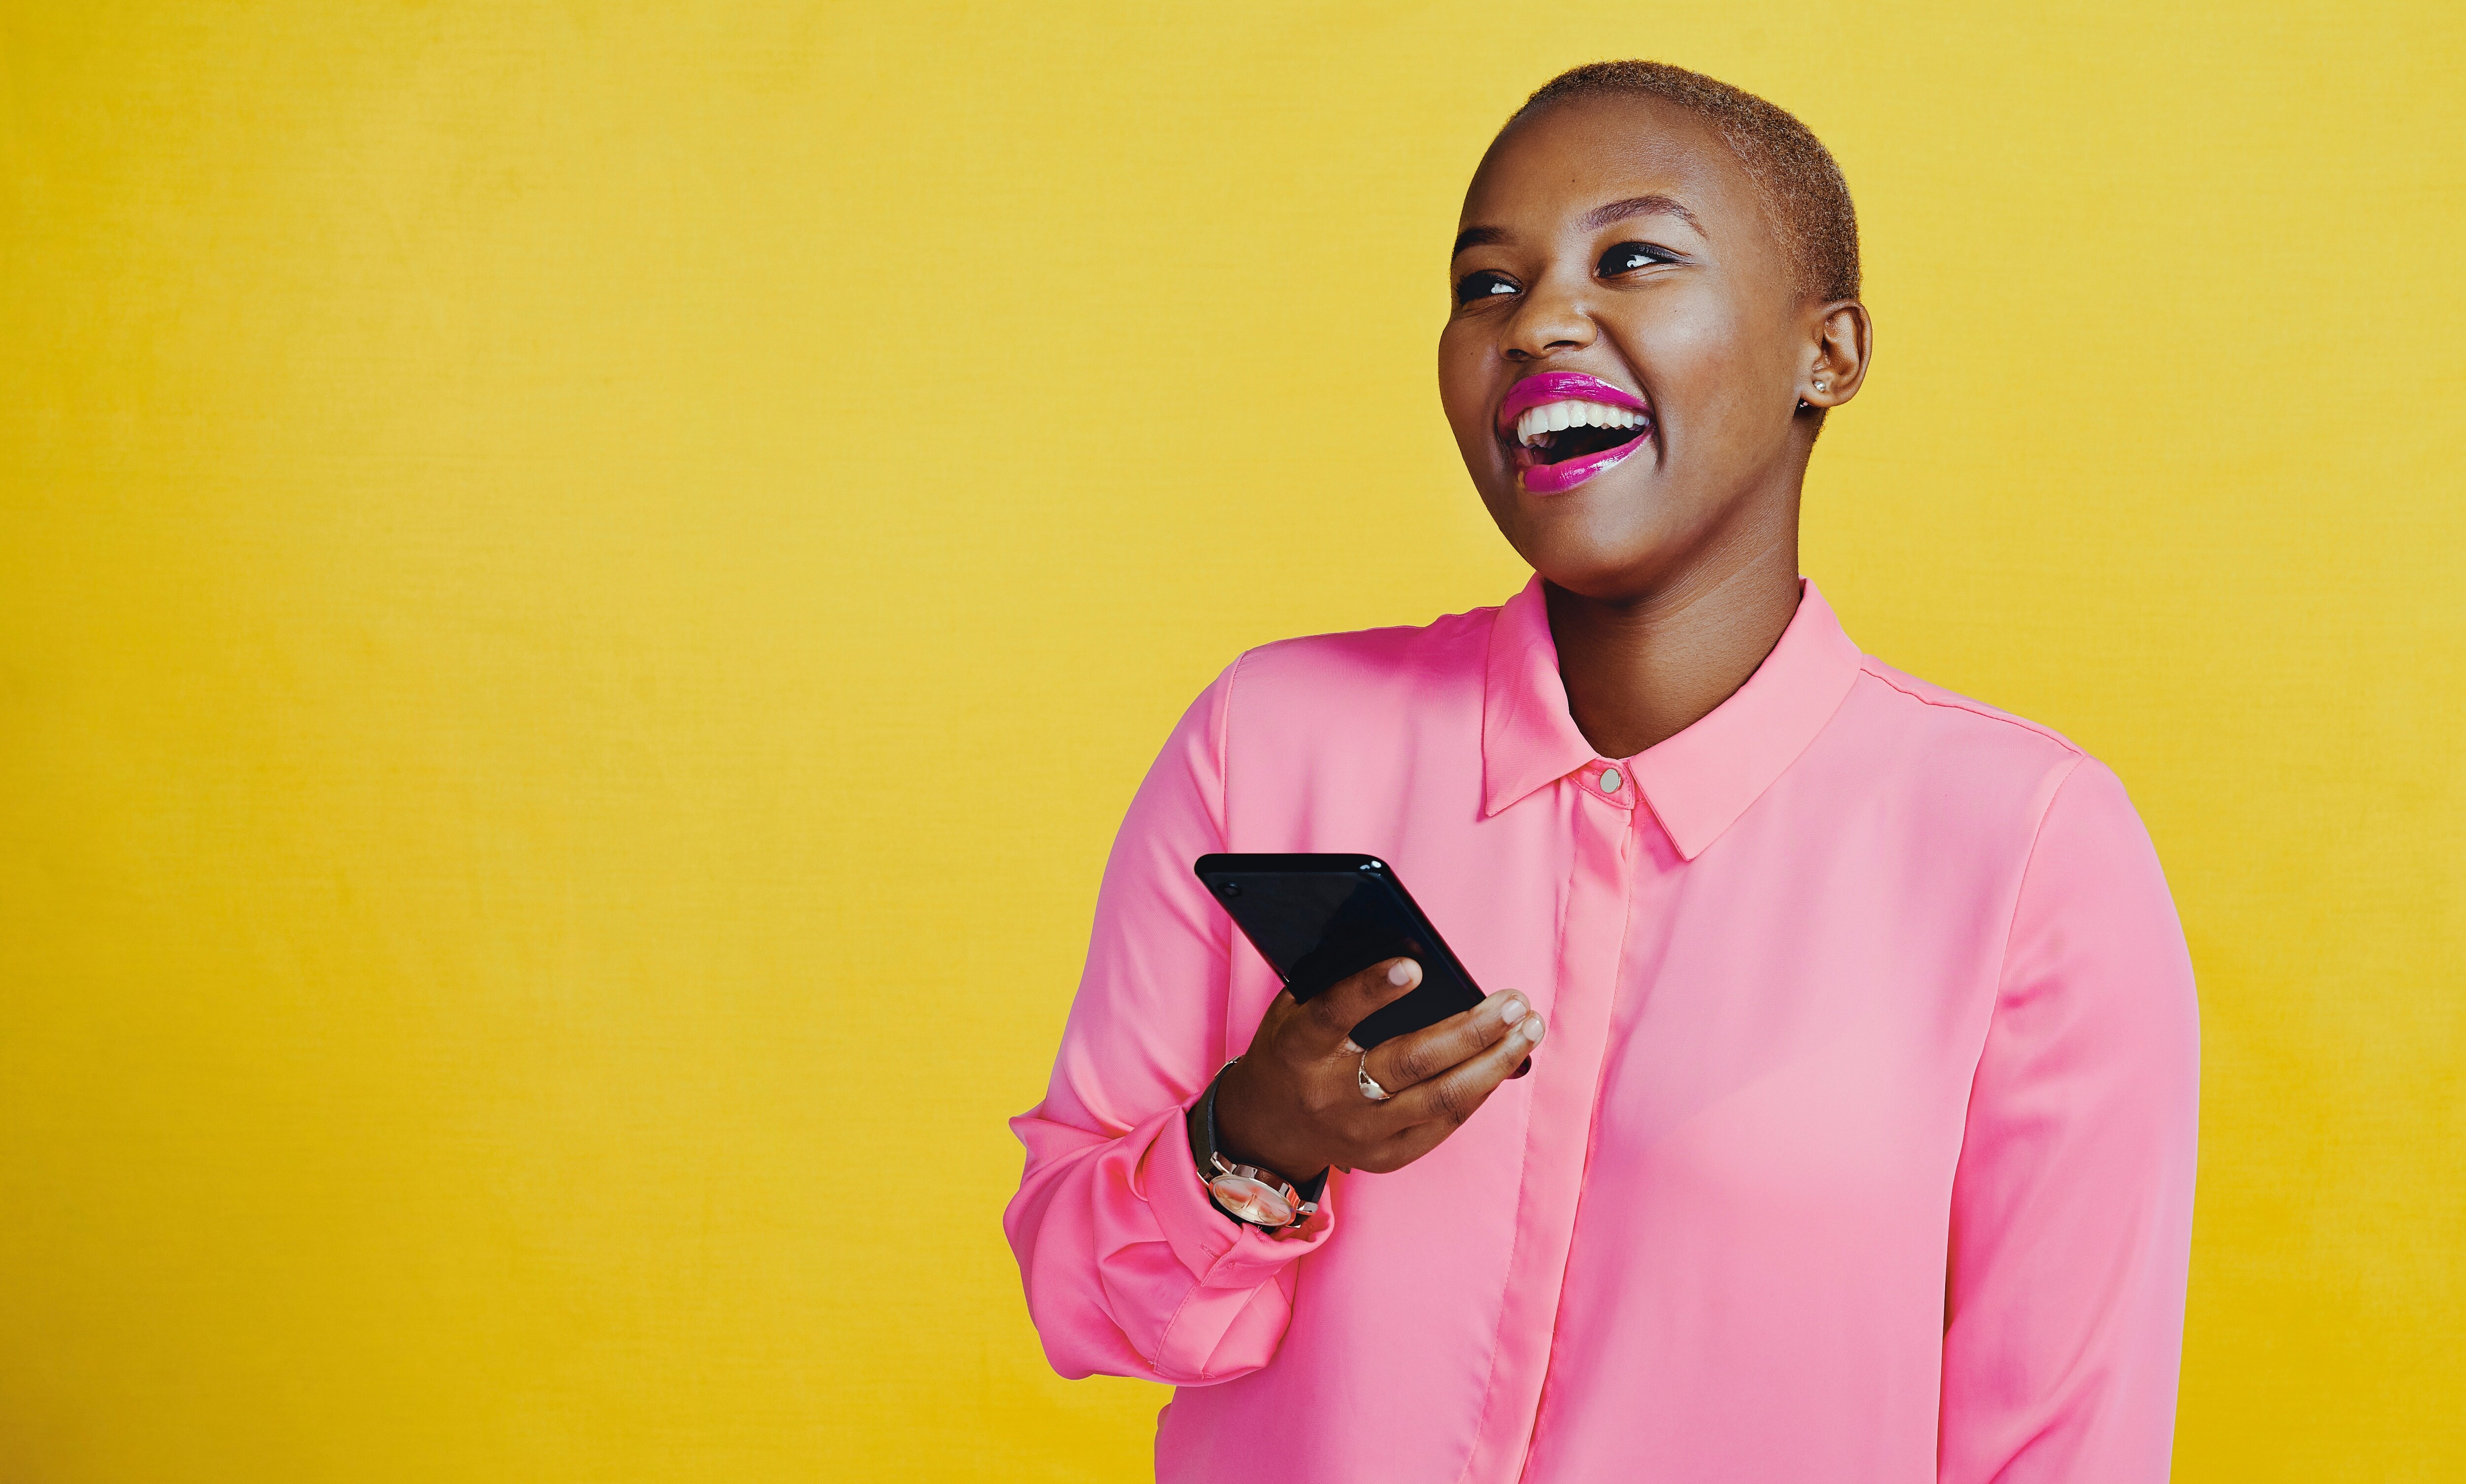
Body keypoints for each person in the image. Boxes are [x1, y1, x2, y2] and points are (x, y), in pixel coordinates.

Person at [1004, 59, 2199, 1484]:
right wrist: (1255, 1138)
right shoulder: (1268, 741)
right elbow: (1085, 1299)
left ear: (1831, 354)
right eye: (1486, 286)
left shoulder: (2027, 847)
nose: (1538, 325)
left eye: (1632, 257)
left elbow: (2065, 1446)